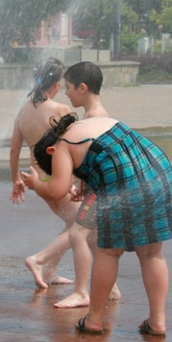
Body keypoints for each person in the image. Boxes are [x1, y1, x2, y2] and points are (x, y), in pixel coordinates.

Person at [22, 113, 172, 336]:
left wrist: (37, 184)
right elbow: (110, 153)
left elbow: (57, 189)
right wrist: (85, 183)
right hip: (157, 168)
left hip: (121, 179)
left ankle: (94, 320)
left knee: (108, 252)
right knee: (152, 252)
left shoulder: (60, 147)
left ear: (50, 151)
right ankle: (157, 321)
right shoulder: (85, 126)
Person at [10, 57, 75, 293]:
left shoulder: (23, 110)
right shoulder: (60, 110)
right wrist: (76, 181)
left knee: (73, 222)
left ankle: (49, 271)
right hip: (57, 176)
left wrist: (16, 179)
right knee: (83, 224)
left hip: (37, 177)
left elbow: (15, 149)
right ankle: (38, 260)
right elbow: (73, 148)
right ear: (57, 84)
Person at [60, 61, 121, 308]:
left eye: (69, 87)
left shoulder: (95, 118)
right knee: (94, 237)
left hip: (101, 190)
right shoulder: (95, 115)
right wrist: (82, 185)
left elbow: (90, 159)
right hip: (97, 188)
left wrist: (79, 184)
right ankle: (112, 289)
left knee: (77, 235)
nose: (66, 93)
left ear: (82, 88)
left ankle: (81, 291)